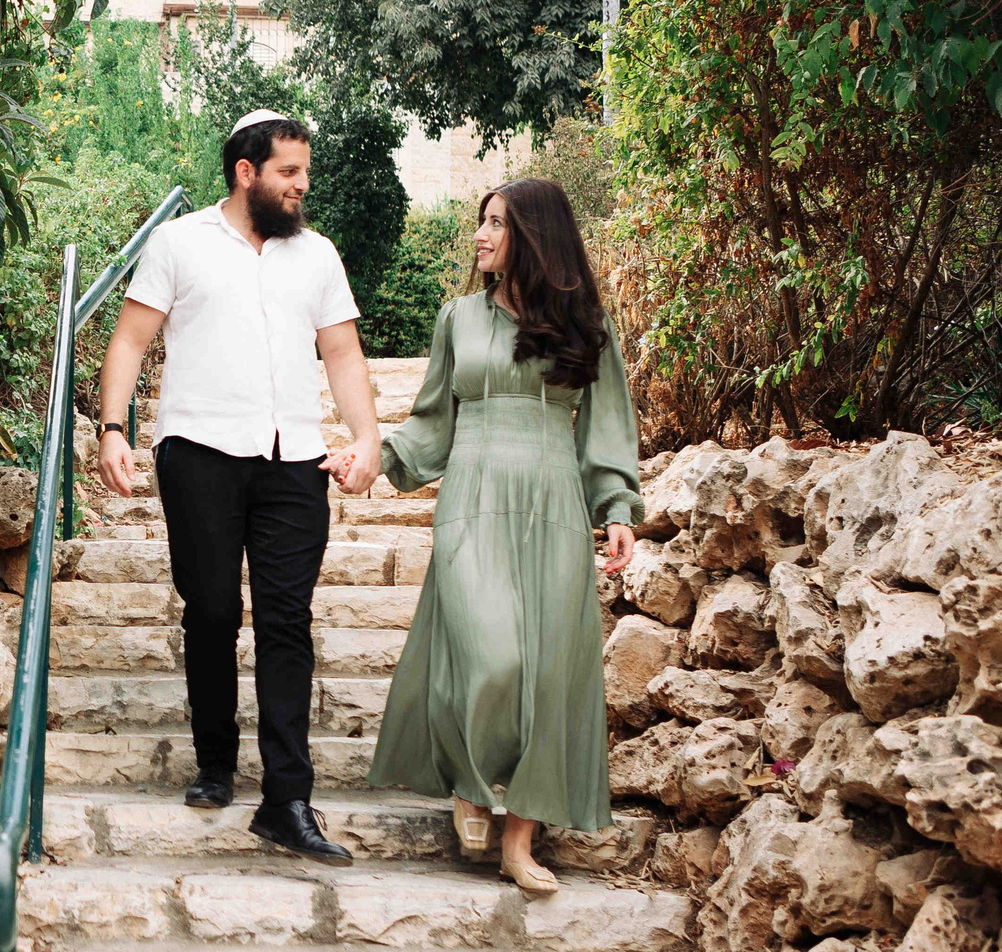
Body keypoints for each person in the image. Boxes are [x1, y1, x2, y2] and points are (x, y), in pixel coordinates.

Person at [96, 110, 382, 865]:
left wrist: (367, 437)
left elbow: (343, 354)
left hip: (295, 461)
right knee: (213, 608)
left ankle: (288, 795)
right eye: (289, 173)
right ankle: (216, 760)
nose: (302, 187)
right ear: (246, 171)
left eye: (305, 174)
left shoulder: (317, 255)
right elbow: (130, 338)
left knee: (287, 619)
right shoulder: (179, 241)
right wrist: (113, 428)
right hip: (199, 451)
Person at [366, 177, 641, 894]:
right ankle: (467, 779)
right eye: (481, 222)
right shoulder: (458, 317)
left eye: (497, 223)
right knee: (488, 650)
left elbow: (606, 425)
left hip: (552, 499)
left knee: (549, 670)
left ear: (535, 237)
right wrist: (379, 458)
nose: (481, 235)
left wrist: (615, 505)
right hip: (473, 496)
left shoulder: (586, 327)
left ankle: (520, 839)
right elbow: (431, 421)